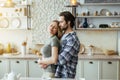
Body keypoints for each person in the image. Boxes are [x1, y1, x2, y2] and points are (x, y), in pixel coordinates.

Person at [55, 11, 80, 78]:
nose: (59, 24)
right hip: (59, 74)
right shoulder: (63, 35)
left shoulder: (72, 39)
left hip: (66, 76)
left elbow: (62, 59)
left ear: (68, 22)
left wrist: (47, 61)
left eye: (61, 22)